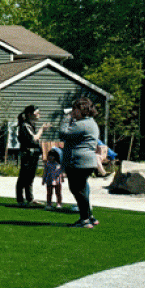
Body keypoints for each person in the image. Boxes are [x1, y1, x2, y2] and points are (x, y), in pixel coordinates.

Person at [61, 97, 101, 228]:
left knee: (77, 190)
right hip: (87, 161)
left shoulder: (82, 124)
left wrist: (66, 119)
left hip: (78, 162)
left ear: (81, 110)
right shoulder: (91, 123)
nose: (73, 112)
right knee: (82, 190)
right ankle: (89, 216)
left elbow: (63, 133)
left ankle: (84, 219)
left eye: (75, 109)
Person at [15, 105, 50, 207]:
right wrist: (42, 130)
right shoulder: (25, 125)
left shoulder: (30, 125)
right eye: (37, 112)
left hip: (33, 154)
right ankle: (20, 200)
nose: (39, 114)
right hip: (27, 154)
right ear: (30, 114)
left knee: (30, 177)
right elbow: (33, 139)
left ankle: (30, 199)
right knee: (23, 177)